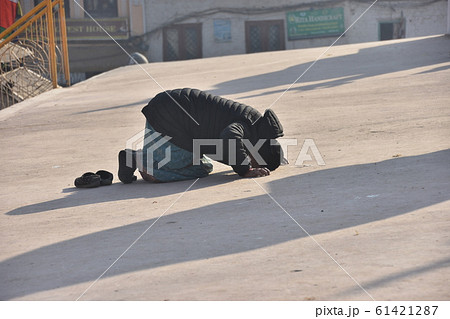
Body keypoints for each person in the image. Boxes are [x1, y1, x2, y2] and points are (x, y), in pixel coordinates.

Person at [118, 88, 285, 183]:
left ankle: (139, 158)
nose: (252, 163)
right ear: (258, 151)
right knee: (188, 163)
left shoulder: (254, 125)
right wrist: (245, 170)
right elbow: (229, 136)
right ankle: (140, 161)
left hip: (165, 113)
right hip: (167, 118)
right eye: (255, 162)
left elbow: (224, 147)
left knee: (203, 166)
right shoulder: (247, 126)